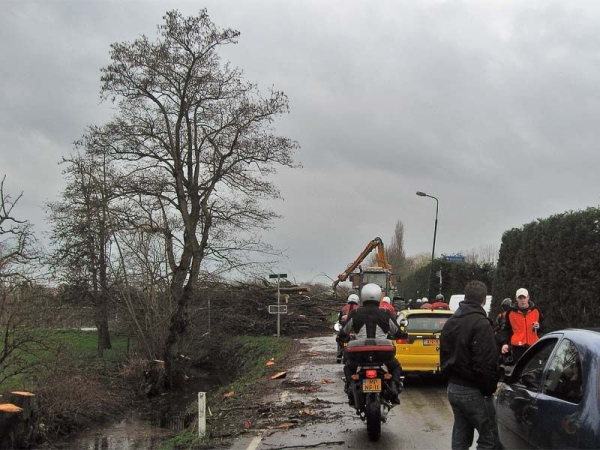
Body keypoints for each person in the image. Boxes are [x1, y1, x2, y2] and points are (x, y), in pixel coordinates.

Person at [440, 280, 501, 450]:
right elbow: (485, 362)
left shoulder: (451, 321)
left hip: (454, 388)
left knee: (461, 436)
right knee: (490, 438)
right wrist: (489, 388)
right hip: (473, 390)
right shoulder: (481, 323)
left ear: (465, 298)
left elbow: (443, 354)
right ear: (483, 300)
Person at [340, 283, 406, 405]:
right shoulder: (386, 313)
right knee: (396, 366)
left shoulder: (355, 313)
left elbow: (344, 332)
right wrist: (401, 336)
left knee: (349, 367)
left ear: (363, 296)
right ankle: (394, 389)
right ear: (378, 297)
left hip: (359, 353)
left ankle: (350, 391)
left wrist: (342, 338)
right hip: (383, 353)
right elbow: (397, 332)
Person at [500, 288, 543, 362]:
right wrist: (504, 343)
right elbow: (505, 330)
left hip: (533, 346)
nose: (522, 300)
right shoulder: (510, 312)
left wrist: (539, 326)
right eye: (520, 297)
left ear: (528, 297)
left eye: (524, 297)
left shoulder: (536, 310)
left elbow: (544, 325)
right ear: (516, 298)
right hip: (517, 348)